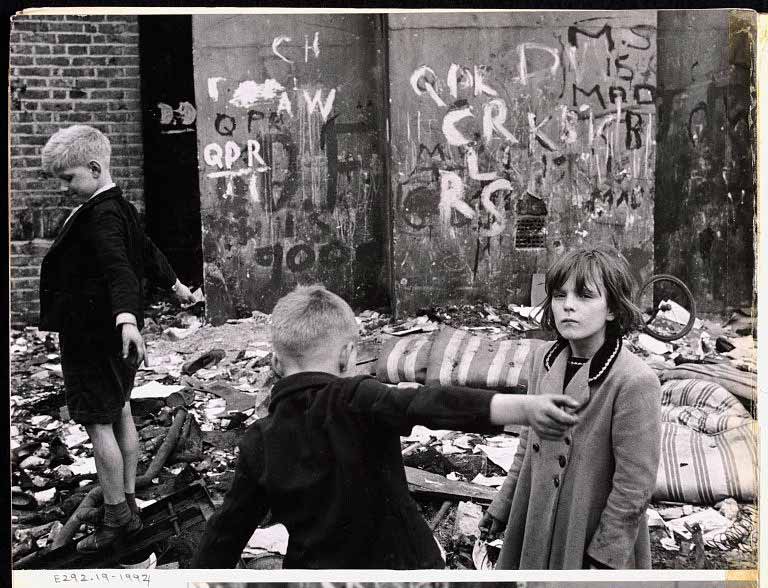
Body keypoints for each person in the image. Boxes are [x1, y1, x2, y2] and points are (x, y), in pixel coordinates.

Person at [193, 284, 581, 569]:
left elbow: (225, 534)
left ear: (276, 363)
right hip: (404, 569)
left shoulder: (259, 440)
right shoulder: (357, 398)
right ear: (348, 356)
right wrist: (523, 407)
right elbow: (424, 401)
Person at [38, 125, 197, 553]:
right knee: (120, 408)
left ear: (94, 167)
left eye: (69, 178)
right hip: (112, 336)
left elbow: (119, 268)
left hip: (93, 336)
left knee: (97, 422)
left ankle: (115, 518)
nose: (65, 188)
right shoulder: (118, 206)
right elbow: (147, 252)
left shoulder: (102, 215)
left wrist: (127, 317)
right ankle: (125, 498)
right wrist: (177, 285)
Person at [478, 245, 662, 569]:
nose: (568, 307)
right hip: (536, 519)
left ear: (612, 309)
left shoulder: (633, 380)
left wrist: (605, 557)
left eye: (585, 296)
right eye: (560, 296)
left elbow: (635, 485)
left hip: (586, 530)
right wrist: (503, 505)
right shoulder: (542, 359)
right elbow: (527, 445)